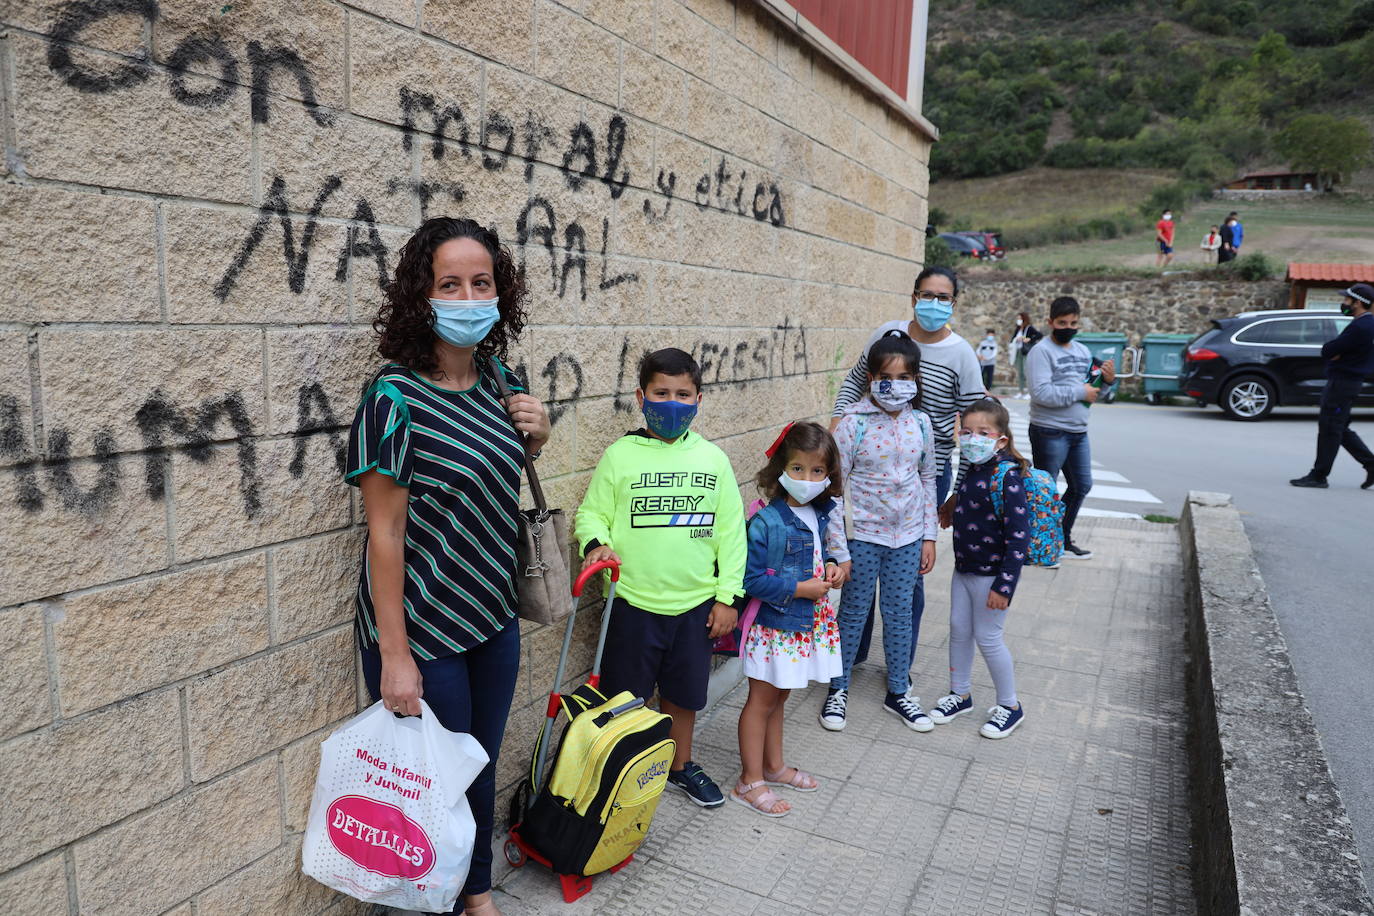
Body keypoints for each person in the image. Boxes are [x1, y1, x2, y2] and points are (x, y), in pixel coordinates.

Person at [345, 217, 551, 916]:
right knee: (429, 785)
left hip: (493, 616)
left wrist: (539, 436)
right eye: (450, 283)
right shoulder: (393, 399)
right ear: (422, 296)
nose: (468, 296)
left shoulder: (501, 378)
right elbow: (386, 533)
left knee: (480, 766)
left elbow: (496, 479)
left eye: (482, 282)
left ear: (501, 291)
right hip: (425, 631)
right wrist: (394, 656)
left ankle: (477, 893)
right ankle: (427, 901)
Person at [576, 348, 747, 809]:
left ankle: (679, 766)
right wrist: (595, 544)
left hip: (695, 607)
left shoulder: (713, 460)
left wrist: (728, 598)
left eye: (683, 394)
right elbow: (591, 514)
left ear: (698, 399)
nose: (672, 403)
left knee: (683, 696)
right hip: (632, 602)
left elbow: (732, 536)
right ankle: (620, 770)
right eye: (661, 393)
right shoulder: (620, 456)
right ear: (641, 397)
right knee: (624, 698)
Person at [830, 266, 984, 676]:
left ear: (954, 302)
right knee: (859, 584)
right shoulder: (889, 334)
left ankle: (901, 666)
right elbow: (854, 381)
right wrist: (838, 422)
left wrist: (959, 491)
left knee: (909, 579)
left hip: (924, 471)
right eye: (926, 295)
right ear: (914, 296)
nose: (933, 304)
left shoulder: (962, 355)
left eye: (943, 297)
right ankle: (851, 659)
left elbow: (972, 424)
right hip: (871, 469)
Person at [820, 333, 938, 733]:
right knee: (852, 613)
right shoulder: (852, 423)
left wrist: (929, 536)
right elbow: (835, 489)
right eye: (887, 376)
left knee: (900, 614)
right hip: (862, 538)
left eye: (905, 375)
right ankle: (838, 689)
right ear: (871, 377)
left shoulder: (920, 422)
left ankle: (900, 690)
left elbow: (927, 478)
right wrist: (840, 550)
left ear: (915, 378)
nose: (896, 384)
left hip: (906, 539)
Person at [733, 422, 846, 816]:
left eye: (818, 471)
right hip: (774, 627)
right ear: (781, 468)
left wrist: (832, 566)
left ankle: (774, 766)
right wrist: (800, 590)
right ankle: (750, 780)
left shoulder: (821, 512)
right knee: (762, 700)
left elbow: (820, 553)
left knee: (780, 696)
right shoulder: (767, 521)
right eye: (798, 468)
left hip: (803, 624)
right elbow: (751, 579)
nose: (807, 478)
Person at [929, 398, 1029, 738]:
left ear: (1000, 439)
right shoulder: (972, 468)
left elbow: (1019, 540)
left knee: (988, 638)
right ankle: (960, 694)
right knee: (958, 630)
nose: (973, 438)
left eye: (983, 432)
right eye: (967, 432)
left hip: (991, 578)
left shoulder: (1008, 478)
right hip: (964, 571)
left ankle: (1010, 705)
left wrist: (1004, 587)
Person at [1025, 296, 1115, 561]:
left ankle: (1061, 538)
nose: (1068, 327)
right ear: (1050, 322)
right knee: (1046, 491)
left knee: (1081, 486)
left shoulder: (1082, 351)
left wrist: (1109, 382)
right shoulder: (1040, 352)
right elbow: (1040, 393)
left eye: (1073, 322)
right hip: (1049, 431)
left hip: (1078, 432)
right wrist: (1080, 391)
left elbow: (1092, 391)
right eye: (1062, 322)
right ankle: (1037, 546)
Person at [1290, 283, 1374, 490]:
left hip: (1342, 383)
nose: (1343, 303)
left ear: (1358, 303)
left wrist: (1335, 353)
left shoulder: (1360, 326)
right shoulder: (1368, 324)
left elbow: (1329, 350)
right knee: (1339, 427)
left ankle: (1319, 476)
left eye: (1347, 300)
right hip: (1350, 383)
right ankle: (1371, 464)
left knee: (1329, 428)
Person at [1010, 312, 1040, 400]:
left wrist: (1029, 339)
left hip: (1026, 352)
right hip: (1018, 351)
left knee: (1026, 371)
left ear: (1024, 319)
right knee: (1020, 372)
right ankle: (1021, 391)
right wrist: (1017, 339)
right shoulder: (1018, 329)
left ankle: (1029, 392)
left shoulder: (1029, 328)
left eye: (1020, 318)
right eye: (1018, 318)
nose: (1018, 320)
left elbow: (1039, 335)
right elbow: (1013, 339)